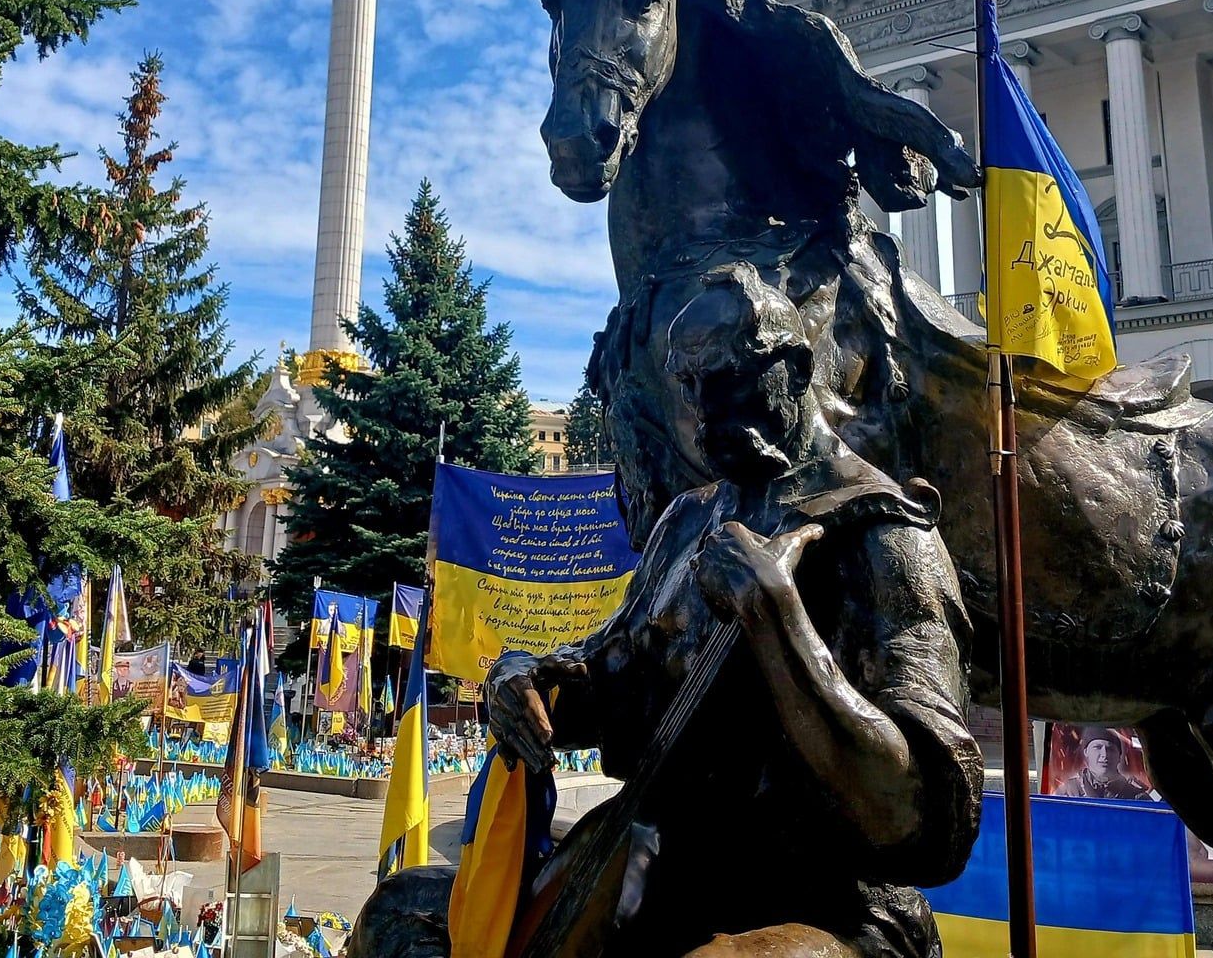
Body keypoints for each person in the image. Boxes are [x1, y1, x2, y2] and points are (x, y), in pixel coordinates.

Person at [352, 263, 983, 958]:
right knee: (400, 913)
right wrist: (525, 682)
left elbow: (924, 817)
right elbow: (612, 672)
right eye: (689, 384)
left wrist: (781, 626)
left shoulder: (886, 532)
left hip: (828, 898)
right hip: (660, 864)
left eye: (728, 377)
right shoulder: (688, 520)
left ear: (798, 368)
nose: (705, 409)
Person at [1053, 728, 1155, 801]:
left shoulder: (1137, 796)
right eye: (1097, 747)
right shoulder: (1068, 791)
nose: (1104, 755)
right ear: (1086, 752)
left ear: (1119, 756)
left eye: (1110, 749)